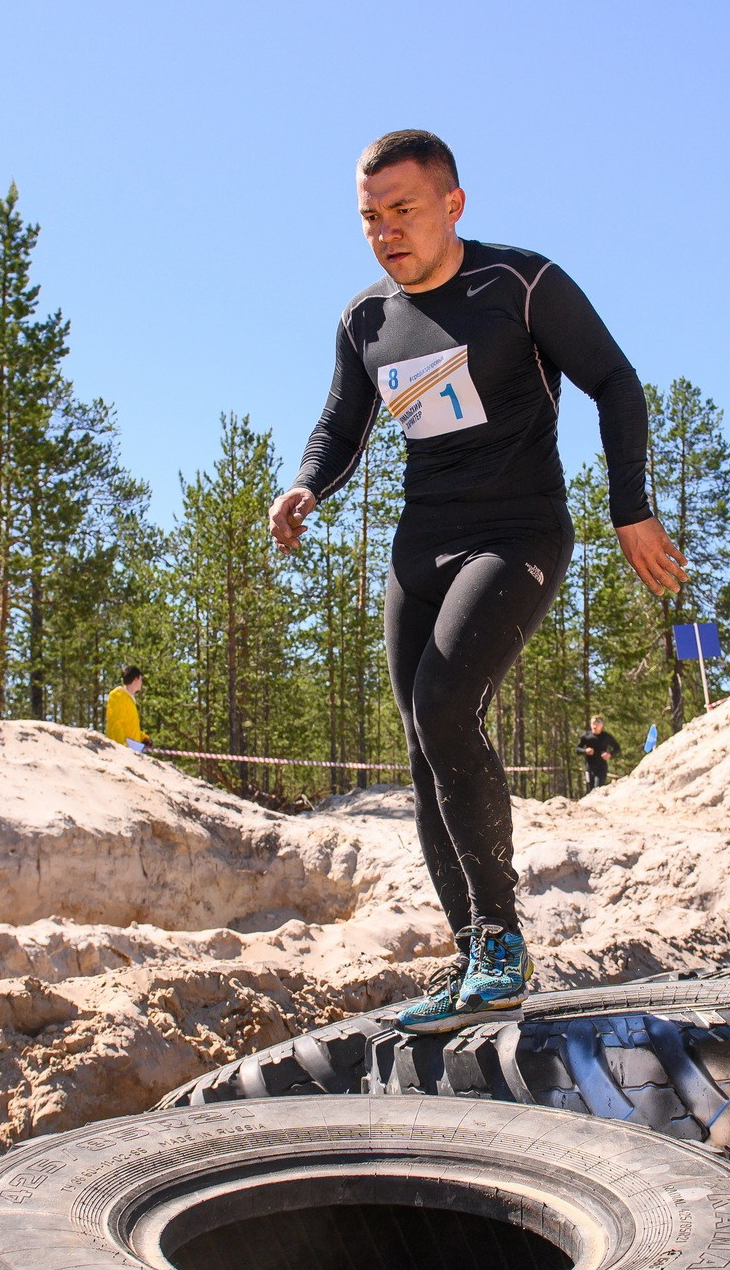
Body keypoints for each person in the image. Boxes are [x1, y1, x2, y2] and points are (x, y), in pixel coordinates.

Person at [269, 129, 687, 1032]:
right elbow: (343, 423)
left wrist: (630, 508)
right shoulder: (366, 320)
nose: (385, 231)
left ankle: (501, 940)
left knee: (447, 707)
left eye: (403, 210)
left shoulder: (520, 284)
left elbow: (614, 381)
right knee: (424, 747)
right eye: (369, 217)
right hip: (421, 546)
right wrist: (306, 482)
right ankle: (471, 957)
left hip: (518, 532)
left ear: (452, 204)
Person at [105, 667, 148, 752]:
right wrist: (122, 747)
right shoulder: (118, 695)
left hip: (133, 749)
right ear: (136, 679)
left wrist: (143, 738)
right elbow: (115, 723)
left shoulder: (129, 698)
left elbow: (129, 726)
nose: (141, 683)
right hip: (122, 751)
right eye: (141, 680)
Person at [577, 716, 620, 789]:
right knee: (589, 790)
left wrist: (610, 754)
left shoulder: (606, 736)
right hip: (589, 767)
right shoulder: (586, 736)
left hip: (601, 768)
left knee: (597, 788)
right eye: (593, 723)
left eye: (597, 724)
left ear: (602, 725)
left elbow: (617, 748)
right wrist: (585, 751)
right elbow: (577, 749)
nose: (595, 725)